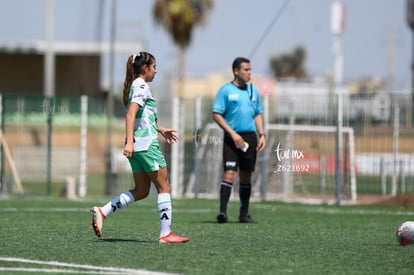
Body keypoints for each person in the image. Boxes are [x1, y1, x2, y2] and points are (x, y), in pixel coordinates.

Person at [91, 51, 189, 243]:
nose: (156, 71)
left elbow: (141, 117)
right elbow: (130, 114)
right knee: (164, 187)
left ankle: (103, 211)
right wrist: (129, 142)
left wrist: (160, 129)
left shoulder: (135, 86)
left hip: (138, 144)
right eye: (154, 67)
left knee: (142, 190)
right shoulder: (142, 86)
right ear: (145, 68)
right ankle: (165, 234)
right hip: (144, 145)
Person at [212, 57, 266, 224]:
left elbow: (257, 113)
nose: (249, 73)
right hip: (232, 138)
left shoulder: (253, 91)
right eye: (246, 70)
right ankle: (222, 213)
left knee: (246, 176)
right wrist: (233, 134)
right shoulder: (225, 90)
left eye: (250, 70)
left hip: (250, 138)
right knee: (229, 174)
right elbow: (216, 114)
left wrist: (262, 134)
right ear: (236, 71)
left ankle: (244, 214)